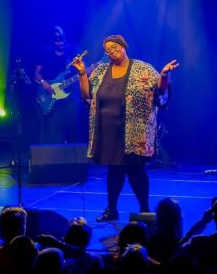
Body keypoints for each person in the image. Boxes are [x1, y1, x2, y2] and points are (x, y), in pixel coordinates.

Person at [72, 34, 179, 221]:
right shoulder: (100, 71)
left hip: (134, 131)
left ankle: (144, 210)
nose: (112, 52)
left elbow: (160, 92)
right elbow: (87, 95)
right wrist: (82, 73)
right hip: (109, 131)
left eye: (115, 47)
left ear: (124, 47)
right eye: (108, 50)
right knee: (114, 170)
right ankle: (111, 210)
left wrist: (164, 75)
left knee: (136, 170)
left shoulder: (142, 68)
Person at [33, 26, 84, 144]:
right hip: (52, 97)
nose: (61, 43)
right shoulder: (46, 52)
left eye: (62, 40)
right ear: (53, 41)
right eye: (57, 41)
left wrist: (86, 72)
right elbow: (36, 73)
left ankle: (76, 153)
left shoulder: (73, 51)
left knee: (73, 130)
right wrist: (44, 83)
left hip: (70, 97)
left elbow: (81, 71)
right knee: (54, 133)